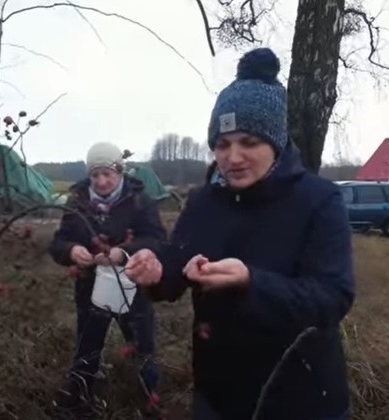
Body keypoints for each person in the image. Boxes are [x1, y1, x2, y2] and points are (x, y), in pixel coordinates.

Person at [124, 47, 356, 420]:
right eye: (222, 144)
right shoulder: (204, 201)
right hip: (218, 396)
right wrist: (155, 269)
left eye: (249, 142)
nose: (232, 157)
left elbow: (332, 298)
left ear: (276, 144)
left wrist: (252, 282)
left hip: (300, 397)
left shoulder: (318, 200)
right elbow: (177, 262)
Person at [48, 141, 168, 418]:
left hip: (132, 289)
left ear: (120, 171)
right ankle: (78, 404)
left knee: (142, 348)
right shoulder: (78, 202)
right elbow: (59, 242)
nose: (101, 181)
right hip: (91, 289)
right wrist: (71, 250)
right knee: (87, 349)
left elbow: (157, 241)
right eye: (95, 174)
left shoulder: (139, 201)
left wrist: (123, 252)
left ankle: (150, 403)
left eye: (108, 174)